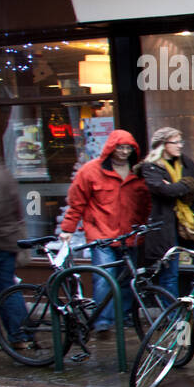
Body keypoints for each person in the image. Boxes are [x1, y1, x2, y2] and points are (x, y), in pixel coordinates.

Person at [59, 128, 150, 332]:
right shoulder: (90, 171)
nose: (124, 152)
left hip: (130, 234)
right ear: (111, 148)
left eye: (128, 148)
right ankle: (102, 321)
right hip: (101, 234)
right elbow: (76, 203)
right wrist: (68, 229)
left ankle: (125, 316)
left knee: (128, 279)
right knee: (103, 279)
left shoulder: (138, 172)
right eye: (120, 147)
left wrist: (144, 226)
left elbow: (146, 203)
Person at [136, 127, 194, 321]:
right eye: (176, 142)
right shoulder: (151, 166)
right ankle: (172, 314)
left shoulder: (186, 162)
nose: (180, 146)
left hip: (190, 222)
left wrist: (178, 186)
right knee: (169, 272)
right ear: (163, 145)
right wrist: (185, 186)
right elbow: (162, 190)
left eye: (181, 142)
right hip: (166, 226)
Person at [0, 135, 31, 351]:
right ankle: (19, 336)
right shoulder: (2, 173)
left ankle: (18, 335)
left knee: (6, 290)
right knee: (7, 289)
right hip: (4, 241)